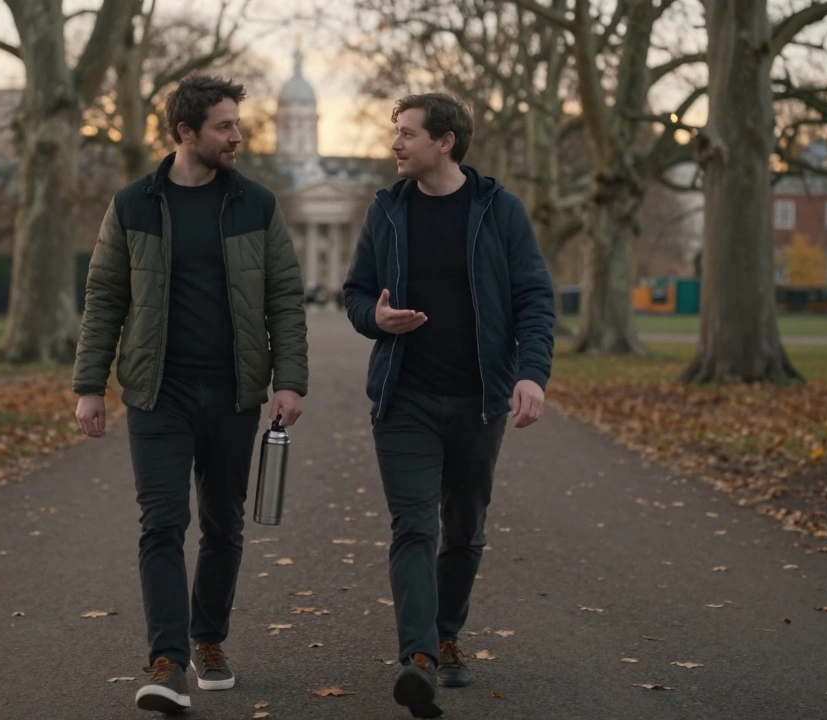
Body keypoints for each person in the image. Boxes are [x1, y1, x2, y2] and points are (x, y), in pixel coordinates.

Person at [72, 73, 308, 715]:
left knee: (225, 525)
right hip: (157, 392)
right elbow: (104, 298)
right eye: (225, 126)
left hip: (235, 392)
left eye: (238, 123)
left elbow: (285, 296)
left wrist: (289, 377)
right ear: (185, 132)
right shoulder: (132, 205)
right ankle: (168, 661)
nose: (238, 135)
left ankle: (208, 639)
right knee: (162, 524)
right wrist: (89, 384)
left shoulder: (256, 205)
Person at [342, 93, 555, 718]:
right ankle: (420, 659)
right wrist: (375, 318)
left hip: (478, 400)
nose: (395, 144)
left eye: (407, 134)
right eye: (395, 132)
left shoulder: (500, 211)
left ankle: (446, 633)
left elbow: (535, 301)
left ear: (445, 142)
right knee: (414, 526)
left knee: (465, 532)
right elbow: (356, 293)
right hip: (402, 396)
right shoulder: (385, 211)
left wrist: (532, 375)